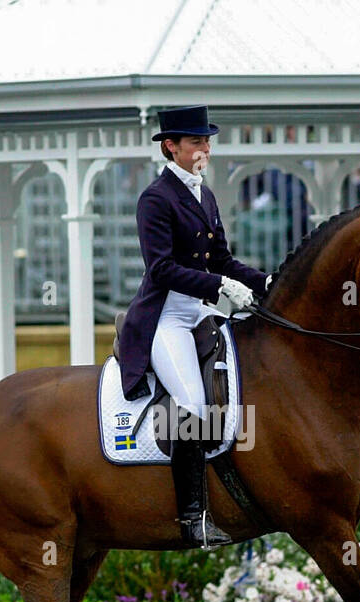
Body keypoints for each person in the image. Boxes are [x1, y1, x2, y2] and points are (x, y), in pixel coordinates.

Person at [120, 105, 269, 548]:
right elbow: (161, 269)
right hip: (166, 317)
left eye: (207, 141)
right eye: (196, 142)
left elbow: (220, 258)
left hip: (203, 312)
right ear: (172, 147)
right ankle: (193, 518)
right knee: (193, 405)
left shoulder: (204, 195)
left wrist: (264, 281)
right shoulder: (156, 198)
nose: (205, 148)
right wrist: (221, 284)